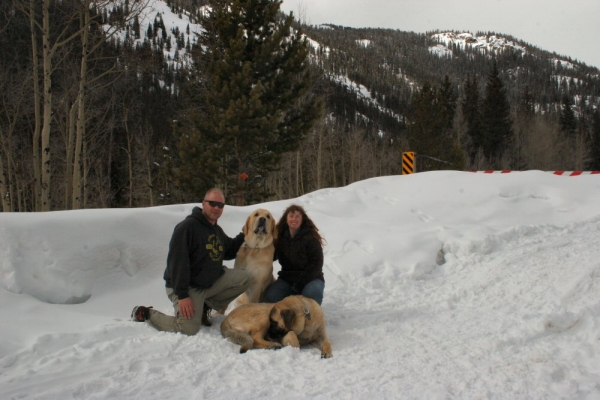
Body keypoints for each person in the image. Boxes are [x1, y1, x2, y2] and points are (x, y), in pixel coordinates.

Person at [131, 188, 251, 335]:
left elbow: (229, 251)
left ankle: (203, 307)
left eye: (220, 205)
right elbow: (177, 264)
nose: (216, 208)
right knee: (188, 328)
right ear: (203, 203)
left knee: (245, 279)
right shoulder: (187, 228)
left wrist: (246, 232)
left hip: (210, 283)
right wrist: (182, 295)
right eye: (212, 203)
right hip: (187, 287)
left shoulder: (216, 230)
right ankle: (146, 313)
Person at [264, 204, 326, 305]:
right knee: (271, 297)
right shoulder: (280, 237)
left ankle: (311, 318)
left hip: (311, 279)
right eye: (291, 216)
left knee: (311, 294)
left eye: (297, 216)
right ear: (286, 218)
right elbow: (271, 255)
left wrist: (300, 284)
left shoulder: (310, 237)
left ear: (302, 219)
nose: (294, 219)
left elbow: (317, 264)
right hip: (287, 279)